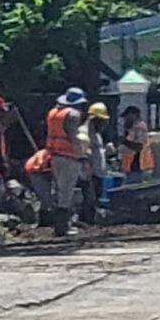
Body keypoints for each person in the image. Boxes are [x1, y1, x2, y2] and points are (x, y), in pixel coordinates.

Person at [46, 87, 88, 236]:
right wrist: (82, 156)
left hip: (54, 156)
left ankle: (60, 225)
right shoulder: (73, 115)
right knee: (66, 193)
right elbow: (74, 138)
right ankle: (62, 228)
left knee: (58, 191)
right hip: (69, 157)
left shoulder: (53, 113)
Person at [79, 102, 110, 225]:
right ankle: (87, 221)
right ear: (93, 119)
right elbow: (83, 154)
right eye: (101, 121)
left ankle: (91, 220)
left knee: (94, 198)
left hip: (97, 172)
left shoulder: (96, 134)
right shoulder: (83, 133)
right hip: (88, 174)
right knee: (88, 199)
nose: (104, 124)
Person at [120, 105, 154, 182]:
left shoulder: (139, 127)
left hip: (139, 167)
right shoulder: (132, 128)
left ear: (134, 115)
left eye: (127, 116)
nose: (125, 119)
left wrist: (124, 142)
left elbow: (138, 146)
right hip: (131, 168)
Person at [24, 147, 54, 224]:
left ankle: (46, 218)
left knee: (46, 195)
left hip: (37, 170)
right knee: (44, 196)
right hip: (35, 171)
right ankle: (42, 220)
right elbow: (43, 166)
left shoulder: (49, 152)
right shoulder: (48, 154)